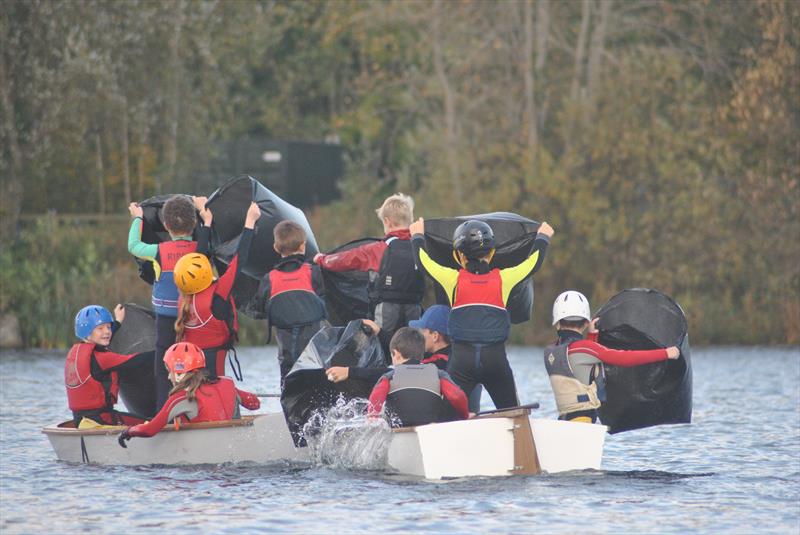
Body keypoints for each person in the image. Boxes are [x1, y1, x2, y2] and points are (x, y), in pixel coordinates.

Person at [409, 217, 553, 410]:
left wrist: (417, 234)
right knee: (513, 413)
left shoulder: (452, 279)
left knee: (448, 418)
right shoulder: (504, 279)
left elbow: (423, 261)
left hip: (462, 364)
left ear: (459, 255)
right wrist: (543, 236)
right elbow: (533, 263)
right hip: (495, 362)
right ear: (492, 253)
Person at [545, 290, 681, 423]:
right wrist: (665, 353)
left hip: (563, 420)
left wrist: (592, 336)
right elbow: (625, 358)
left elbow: (583, 366)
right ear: (586, 323)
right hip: (582, 419)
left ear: (557, 323)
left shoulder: (550, 351)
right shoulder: (584, 349)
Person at [128, 194, 210, 410]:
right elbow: (209, 233)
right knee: (196, 361)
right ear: (193, 225)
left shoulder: (158, 251)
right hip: (193, 317)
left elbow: (134, 246)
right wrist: (203, 211)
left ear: (166, 225)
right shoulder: (201, 249)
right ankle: (199, 407)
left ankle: (164, 409)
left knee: (164, 362)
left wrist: (137, 218)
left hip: (165, 318)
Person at [314, 193, 425, 353]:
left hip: (386, 308)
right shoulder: (420, 246)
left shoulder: (379, 248)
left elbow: (345, 259)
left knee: (382, 346)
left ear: (386, 221)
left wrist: (322, 259)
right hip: (414, 308)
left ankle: (382, 375)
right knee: (412, 347)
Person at [173, 201, 261, 379]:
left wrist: (207, 222)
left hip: (192, 360)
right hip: (216, 358)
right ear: (204, 272)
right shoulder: (219, 292)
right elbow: (239, 260)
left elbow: (198, 256)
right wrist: (249, 223)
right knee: (217, 388)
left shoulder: (184, 296)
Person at [117, 342, 260, 446]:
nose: (168, 377)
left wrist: (128, 432)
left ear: (179, 372)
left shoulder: (181, 398)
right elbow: (255, 404)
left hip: (208, 455)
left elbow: (150, 430)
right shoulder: (228, 383)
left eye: (170, 372)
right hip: (235, 445)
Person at [253, 220, 327, 382]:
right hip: (314, 341)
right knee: (315, 374)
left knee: (289, 378)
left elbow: (259, 308)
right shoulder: (313, 272)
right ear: (303, 246)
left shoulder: (269, 279)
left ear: (276, 247)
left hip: (286, 345)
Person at [65, 305, 150, 426]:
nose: (107, 332)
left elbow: (101, 337)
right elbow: (137, 361)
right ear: (87, 333)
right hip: (100, 419)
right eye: (100, 328)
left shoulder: (77, 351)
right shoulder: (102, 358)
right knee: (149, 423)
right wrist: (164, 351)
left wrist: (118, 321)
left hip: (80, 419)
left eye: (109, 327)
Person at [367, 327, 469, 427]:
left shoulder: (389, 377)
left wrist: (373, 419)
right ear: (422, 353)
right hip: (430, 428)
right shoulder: (437, 374)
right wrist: (464, 416)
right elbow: (457, 396)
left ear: (396, 354)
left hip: (399, 429)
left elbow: (375, 401)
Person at [409, 305, 483, 414]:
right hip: (471, 418)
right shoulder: (466, 358)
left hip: (446, 425)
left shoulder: (433, 365)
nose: (420, 335)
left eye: (423, 331)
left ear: (435, 336)